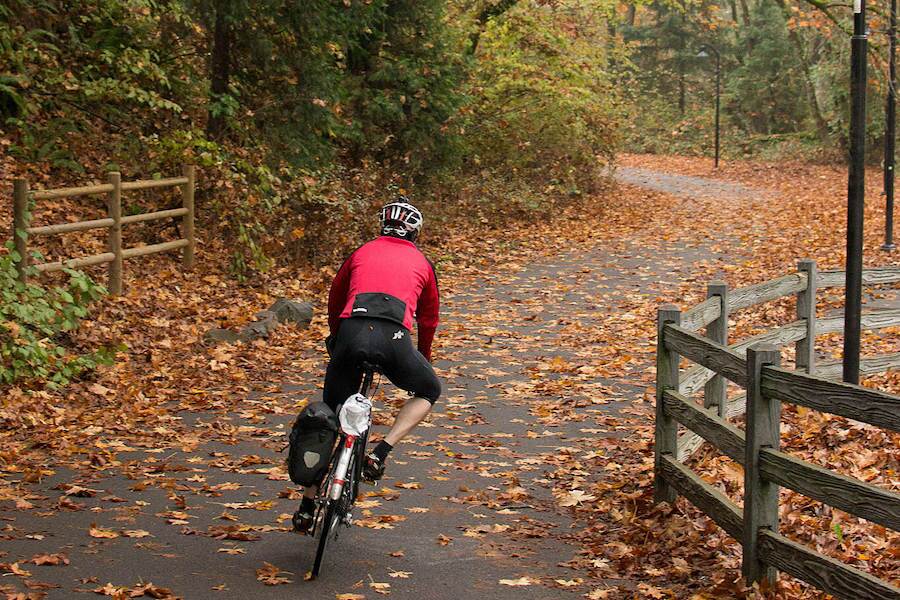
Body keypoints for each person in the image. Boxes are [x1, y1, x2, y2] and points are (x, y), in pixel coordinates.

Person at [293, 197, 441, 533]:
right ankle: (381, 452)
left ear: (382, 226)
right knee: (430, 389)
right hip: (394, 340)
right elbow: (429, 320)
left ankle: (306, 504)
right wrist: (424, 357)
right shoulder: (423, 262)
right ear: (414, 232)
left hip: (351, 333)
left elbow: (336, 297)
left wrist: (336, 337)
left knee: (329, 416)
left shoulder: (360, 252)